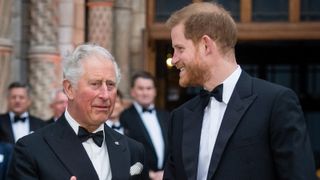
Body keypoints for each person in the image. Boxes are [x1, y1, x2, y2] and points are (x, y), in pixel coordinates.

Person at [163, 2, 316, 180]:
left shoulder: (275, 103)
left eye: (180, 49)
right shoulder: (180, 117)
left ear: (206, 45)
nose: (174, 59)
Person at [7, 44, 147, 180]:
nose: (105, 95)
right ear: (69, 89)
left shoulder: (133, 150)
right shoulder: (31, 149)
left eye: (110, 85)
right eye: (95, 84)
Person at [120, 71, 169, 180]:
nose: (145, 93)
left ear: (155, 91)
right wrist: (149, 174)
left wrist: (167, 172)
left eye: (149, 88)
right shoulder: (124, 117)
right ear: (132, 92)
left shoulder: (166, 116)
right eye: (141, 88)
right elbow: (124, 152)